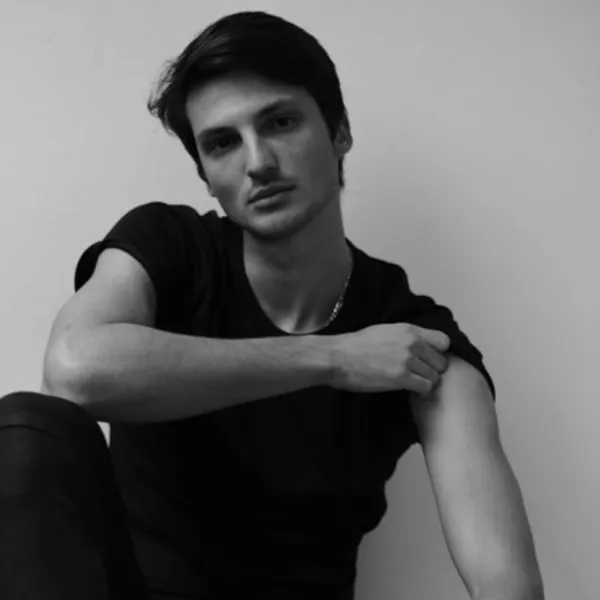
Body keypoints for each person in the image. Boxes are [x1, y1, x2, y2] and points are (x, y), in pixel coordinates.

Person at [0, 10, 544, 600]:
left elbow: (507, 584)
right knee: (30, 427)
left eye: (280, 122)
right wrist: (332, 358)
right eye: (222, 143)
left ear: (340, 132)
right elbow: (75, 372)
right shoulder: (170, 248)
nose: (257, 162)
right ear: (206, 175)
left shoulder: (410, 337)